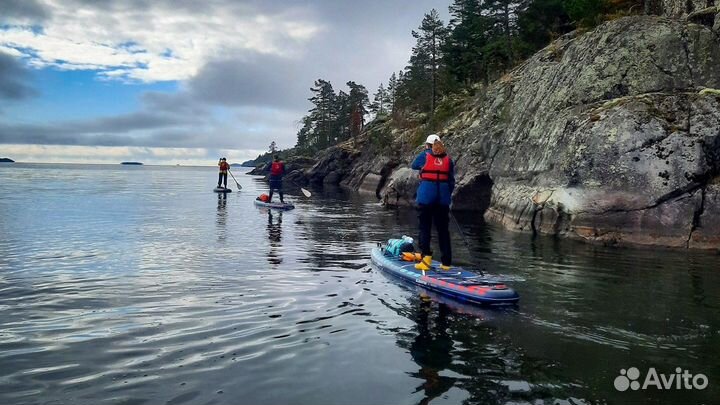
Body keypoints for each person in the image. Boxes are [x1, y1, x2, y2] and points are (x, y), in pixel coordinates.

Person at [411, 134, 455, 271]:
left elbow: (414, 165)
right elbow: (451, 181)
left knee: (425, 228)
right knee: (443, 230)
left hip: (426, 198)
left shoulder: (424, 156)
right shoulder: (448, 160)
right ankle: (446, 263)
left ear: (428, 145)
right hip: (442, 200)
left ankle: (426, 259)